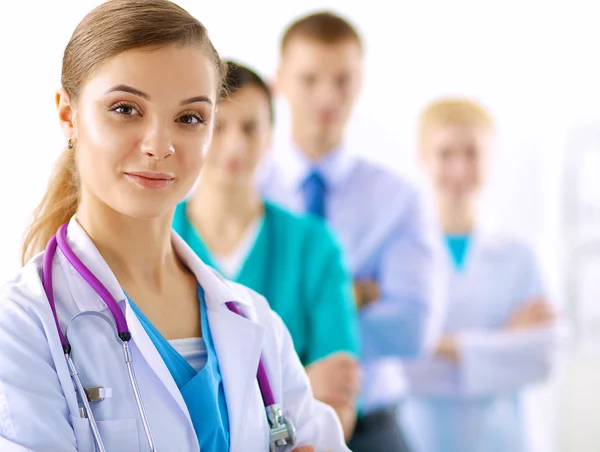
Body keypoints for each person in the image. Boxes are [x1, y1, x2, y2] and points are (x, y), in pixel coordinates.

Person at [0, 1, 349, 451]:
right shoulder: (24, 328)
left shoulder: (252, 319)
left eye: (189, 118)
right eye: (126, 109)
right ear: (69, 115)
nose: (160, 146)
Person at [259, 11, 443, 452]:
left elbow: (414, 328)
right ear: (279, 82)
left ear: (361, 83)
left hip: (373, 426)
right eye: (309, 79)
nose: (327, 96)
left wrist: (288, 319)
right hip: (267, 423)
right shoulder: (245, 189)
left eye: (342, 80)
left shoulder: (398, 196)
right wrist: (350, 296)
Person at [172, 60, 361, 439]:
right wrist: (297, 387)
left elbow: (337, 400)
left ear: (272, 133)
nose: (235, 144)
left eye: (250, 127)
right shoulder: (156, 234)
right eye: (217, 126)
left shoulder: (311, 244)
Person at [399, 98, 563, 452]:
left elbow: (543, 357)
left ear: (491, 159)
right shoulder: (403, 253)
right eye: (445, 153)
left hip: (505, 439)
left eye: (472, 153)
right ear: (422, 158)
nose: (459, 168)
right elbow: (399, 367)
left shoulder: (520, 256)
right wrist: (501, 344)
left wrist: (442, 347)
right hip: (421, 438)